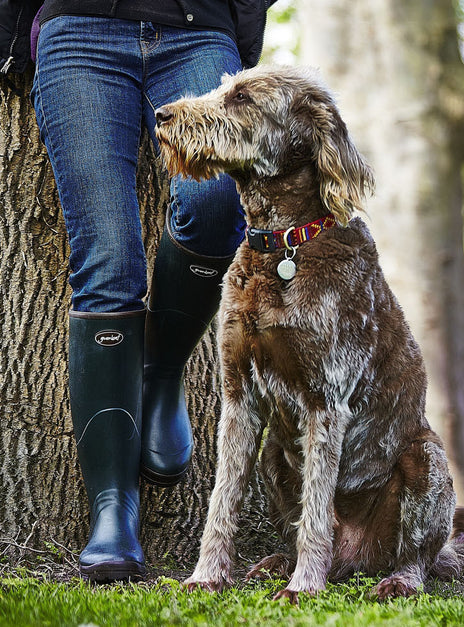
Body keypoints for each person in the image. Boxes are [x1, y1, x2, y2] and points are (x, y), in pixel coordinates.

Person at [1, 0, 276, 582]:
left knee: (218, 206)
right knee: (107, 263)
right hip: (79, 31)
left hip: (199, 31)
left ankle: (163, 369)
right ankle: (114, 509)